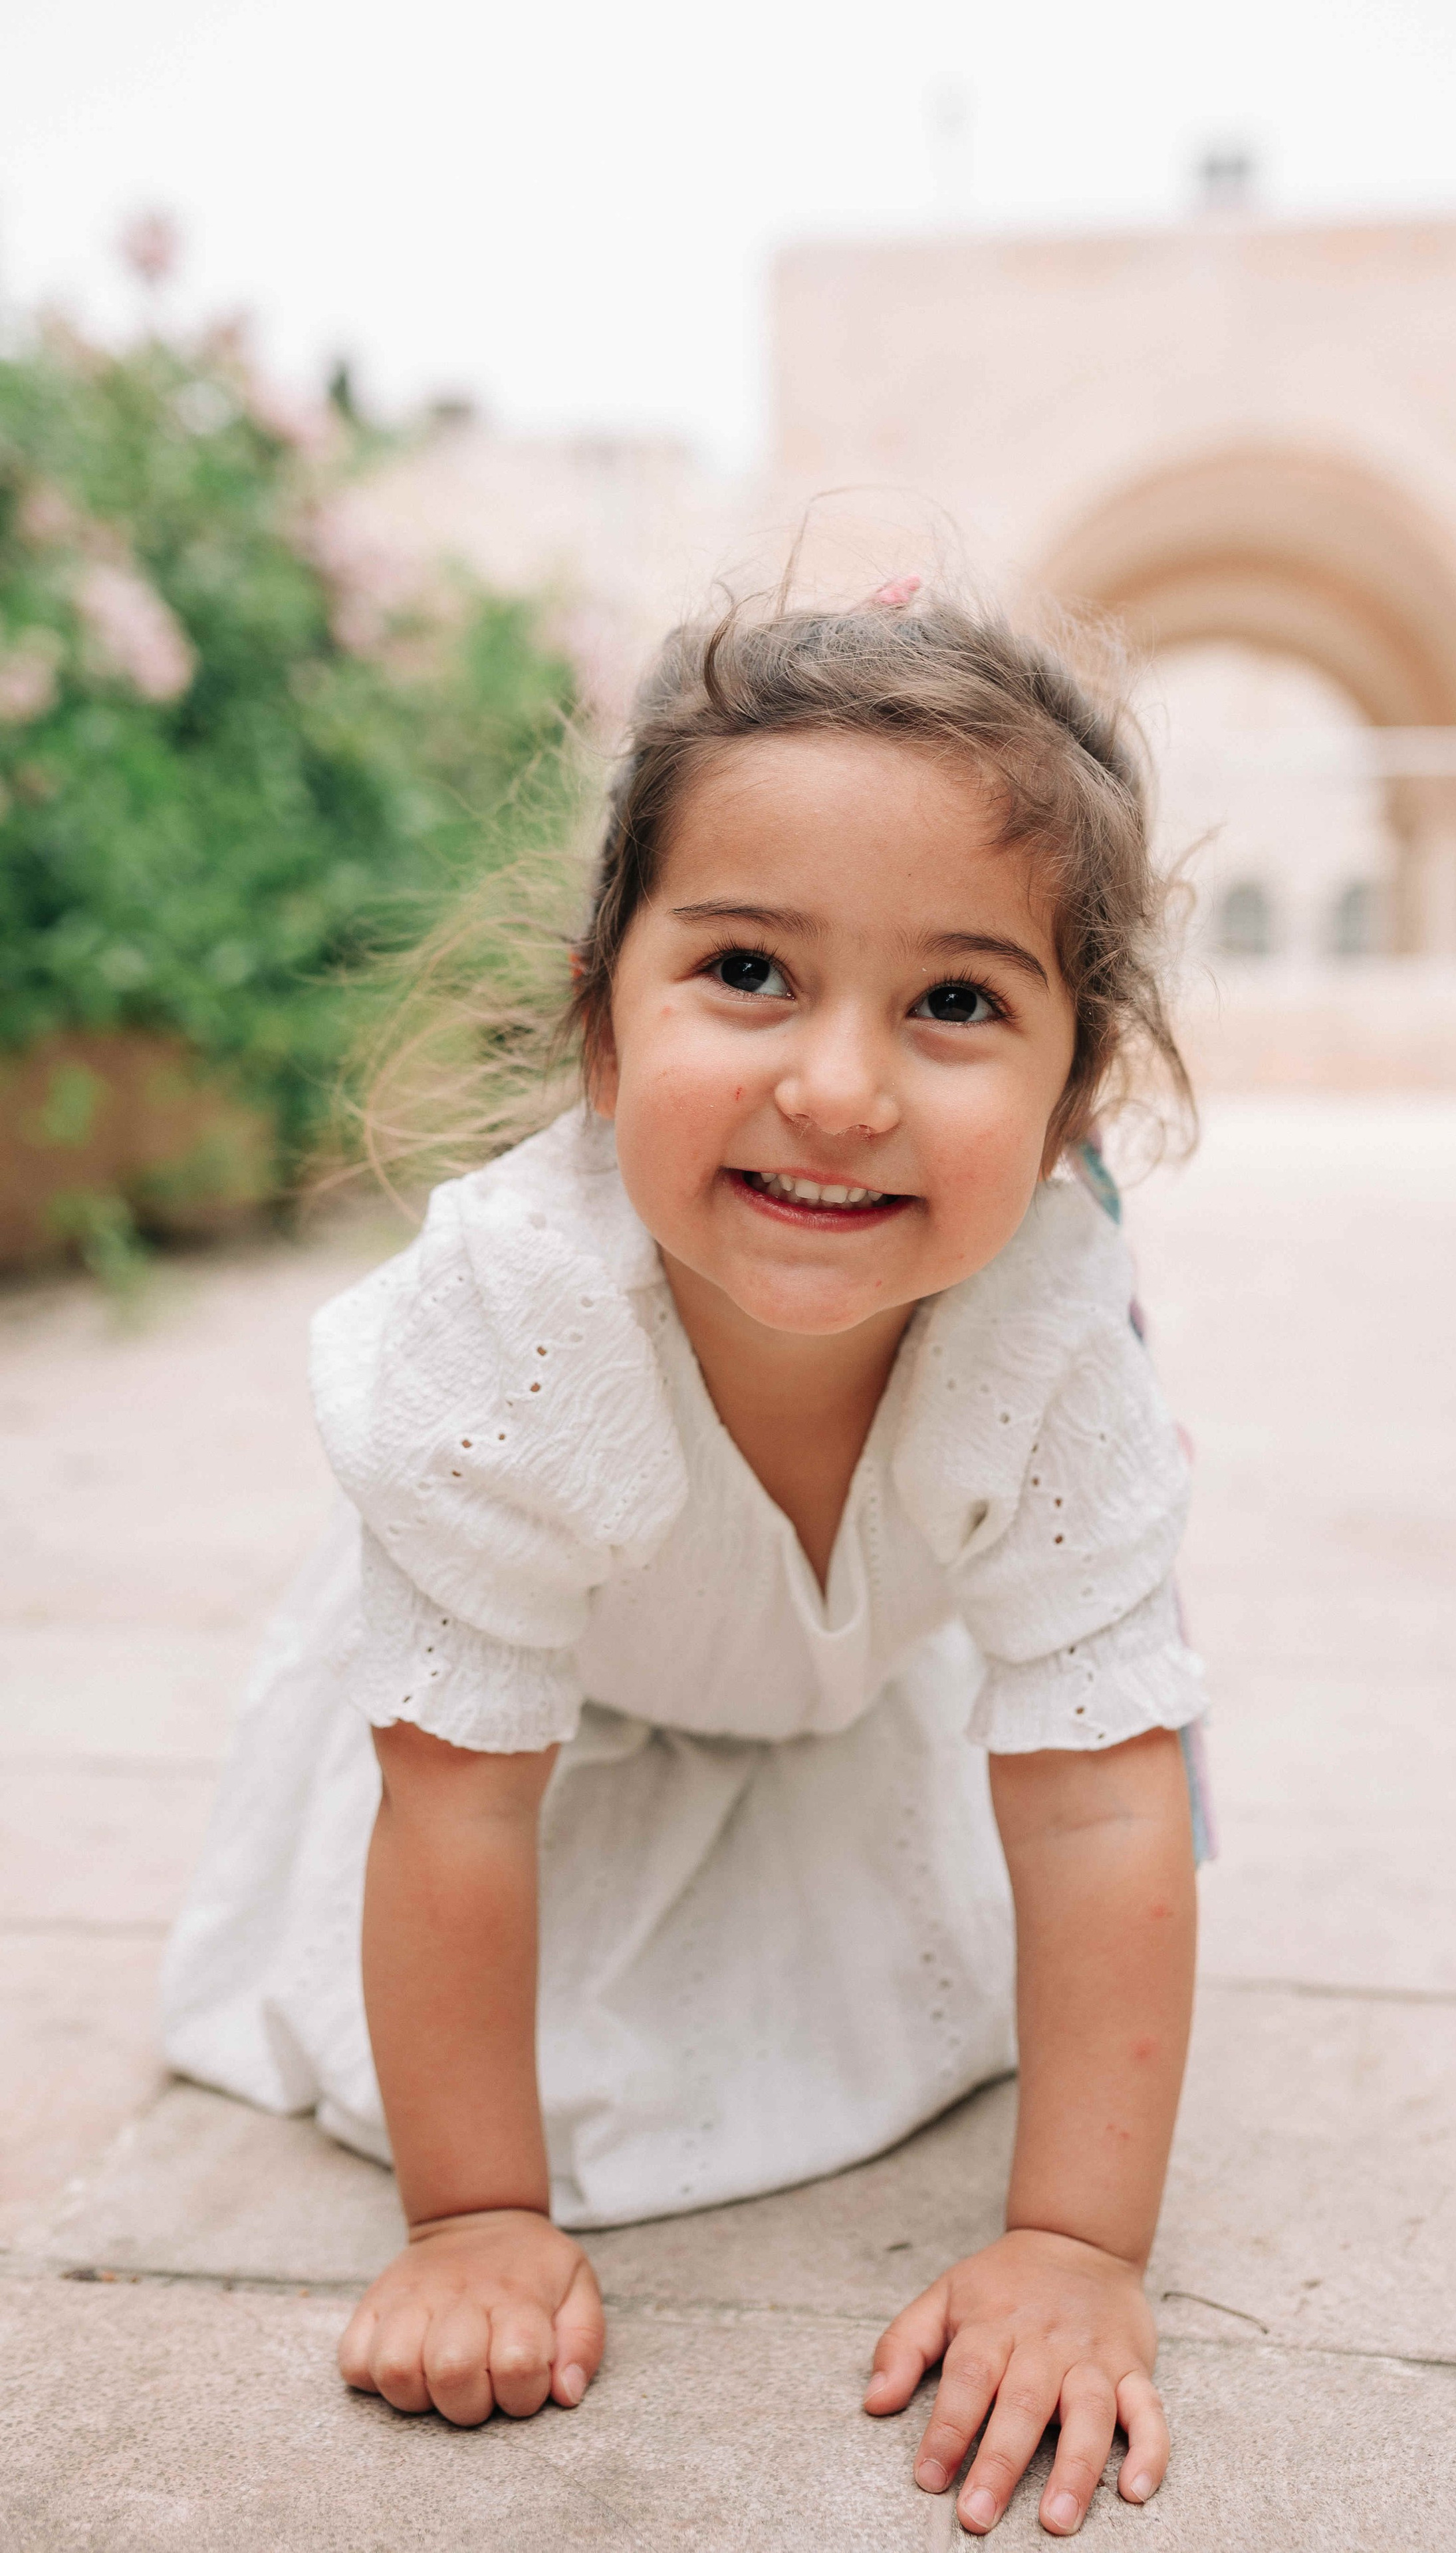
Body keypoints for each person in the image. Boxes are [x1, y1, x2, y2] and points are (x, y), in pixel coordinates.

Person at [162, 582, 1210, 2538]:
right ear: (597, 1019)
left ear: (1076, 1098)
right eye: (747, 971)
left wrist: (1077, 2246)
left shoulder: (1053, 1326)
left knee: (912, 1999)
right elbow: (461, 1810)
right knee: (522, 2039)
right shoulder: (521, 1321)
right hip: (534, 1723)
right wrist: (475, 2220)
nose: (839, 1086)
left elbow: (1095, 1803)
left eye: (957, 1002)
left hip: (834, 1703)